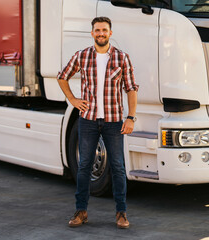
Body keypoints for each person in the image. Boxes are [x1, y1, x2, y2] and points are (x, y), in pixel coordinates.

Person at [57, 16, 138, 229]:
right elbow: (62, 76)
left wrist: (130, 117)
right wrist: (73, 100)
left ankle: (121, 213)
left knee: (118, 167)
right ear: (92, 33)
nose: (101, 33)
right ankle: (81, 211)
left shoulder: (122, 58)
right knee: (84, 167)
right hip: (88, 120)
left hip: (113, 121)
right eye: (97, 30)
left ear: (110, 33)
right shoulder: (82, 56)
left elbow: (131, 89)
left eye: (104, 30)